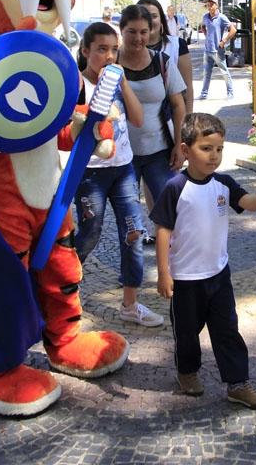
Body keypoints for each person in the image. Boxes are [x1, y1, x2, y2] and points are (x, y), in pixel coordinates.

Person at [150, 113, 256, 408]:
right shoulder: (176, 187)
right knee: (186, 333)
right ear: (185, 151)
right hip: (185, 280)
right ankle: (187, 372)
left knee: (227, 330)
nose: (214, 156)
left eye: (219, 149)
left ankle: (238, 383)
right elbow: (163, 230)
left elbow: (248, 204)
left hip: (218, 275)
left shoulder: (224, 184)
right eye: (206, 148)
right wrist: (164, 272)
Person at [73, 22, 164, 326]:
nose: (109, 56)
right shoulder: (77, 84)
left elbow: (137, 119)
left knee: (133, 233)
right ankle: (62, 290)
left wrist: (123, 84)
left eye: (114, 49)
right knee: (90, 232)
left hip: (123, 168)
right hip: (90, 174)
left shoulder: (116, 82)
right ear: (86, 51)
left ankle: (130, 304)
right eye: (101, 49)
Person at [117, 4, 187, 252]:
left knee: (172, 209)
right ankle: (131, 276)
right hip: (122, 157)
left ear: (151, 32)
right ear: (121, 30)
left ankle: (174, 266)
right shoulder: (110, 63)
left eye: (143, 32)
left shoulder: (162, 62)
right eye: (132, 31)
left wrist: (179, 145)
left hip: (159, 152)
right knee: (129, 219)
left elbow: (179, 105)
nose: (138, 38)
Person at [139, 0, 193, 113]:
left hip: (174, 118)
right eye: (144, 16)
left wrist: (189, 121)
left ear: (161, 20)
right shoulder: (127, 51)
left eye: (153, 16)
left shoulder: (177, 45)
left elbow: (187, 88)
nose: (149, 21)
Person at [198, 0, 235, 100]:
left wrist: (224, 41)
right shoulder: (205, 17)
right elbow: (203, 27)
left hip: (218, 51)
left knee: (224, 72)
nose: (209, 6)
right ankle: (204, 94)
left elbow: (233, 30)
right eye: (207, 4)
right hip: (207, 50)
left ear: (216, 5)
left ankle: (230, 93)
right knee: (206, 73)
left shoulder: (221, 18)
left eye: (211, 4)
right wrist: (207, 37)